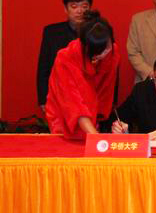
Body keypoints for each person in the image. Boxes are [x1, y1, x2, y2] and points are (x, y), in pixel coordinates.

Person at [46, 11, 120, 139]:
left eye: (107, 48)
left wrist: (97, 123)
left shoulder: (113, 52)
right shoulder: (65, 58)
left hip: (92, 119)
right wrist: (95, 137)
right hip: (65, 119)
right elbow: (73, 104)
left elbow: (106, 91)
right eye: (99, 52)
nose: (104, 54)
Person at [37, 0, 93, 112]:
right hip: (59, 94)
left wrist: (111, 101)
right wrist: (43, 99)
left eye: (84, 7)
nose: (80, 11)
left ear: (90, 9)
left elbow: (110, 68)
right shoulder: (51, 32)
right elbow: (44, 67)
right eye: (74, 6)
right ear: (65, 9)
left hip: (90, 96)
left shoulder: (99, 32)